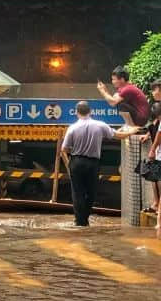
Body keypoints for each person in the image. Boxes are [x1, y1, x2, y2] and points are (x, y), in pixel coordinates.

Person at [62, 101, 136, 227]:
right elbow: (117, 135)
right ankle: (84, 219)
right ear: (90, 112)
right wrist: (132, 132)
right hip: (93, 163)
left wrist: (70, 162)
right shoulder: (100, 125)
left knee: (77, 192)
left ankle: (80, 221)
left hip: (76, 161)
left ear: (76, 112)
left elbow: (64, 149)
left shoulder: (72, 128)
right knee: (91, 192)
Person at [140, 84, 161, 213]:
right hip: (157, 150)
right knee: (154, 175)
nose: (153, 92)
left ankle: (158, 205)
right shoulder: (156, 107)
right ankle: (156, 203)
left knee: (157, 177)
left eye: (155, 89)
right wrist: (148, 134)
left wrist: (153, 149)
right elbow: (155, 126)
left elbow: (160, 132)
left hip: (157, 150)